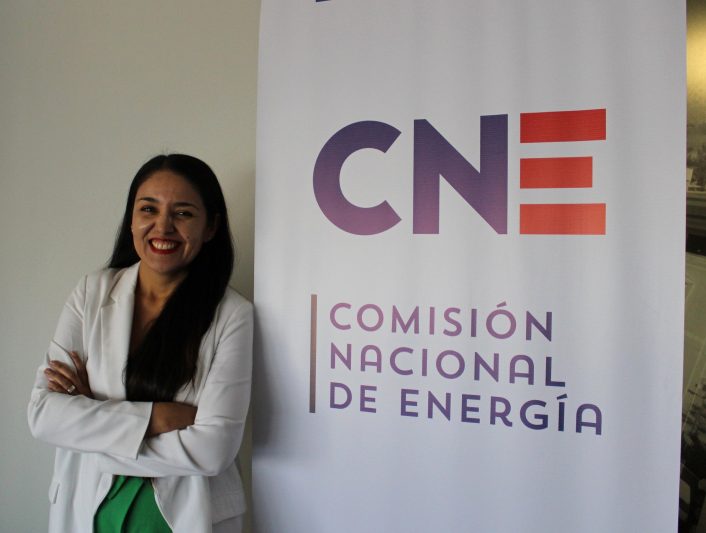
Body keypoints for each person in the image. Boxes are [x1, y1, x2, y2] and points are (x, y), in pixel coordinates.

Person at [27, 154, 253, 533]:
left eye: (183, 213)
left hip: (180, 514)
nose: (162, 226)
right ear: (131, 219)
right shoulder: (91, 293)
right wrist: (157, 418)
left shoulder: (233, 315)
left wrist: (92, 418)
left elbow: (214, 449)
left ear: (211, 227)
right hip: (90, 505)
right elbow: (44, 415)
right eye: (148, 209)